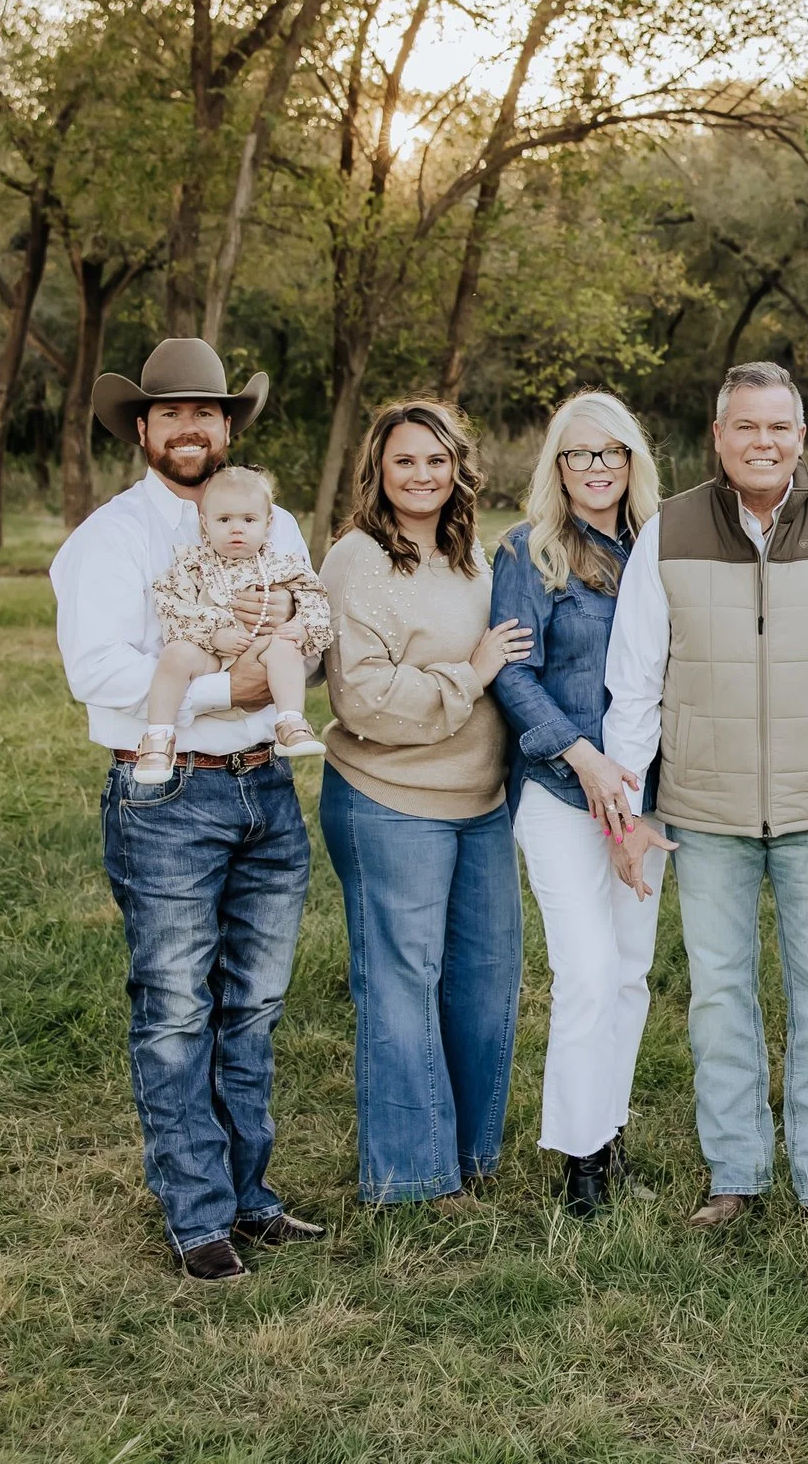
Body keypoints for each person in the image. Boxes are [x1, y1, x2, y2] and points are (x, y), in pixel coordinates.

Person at [602, 361, 808, 1234]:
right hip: (705, 813)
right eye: (747, 427)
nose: (763, 443)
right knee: (718, 998)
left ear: (800, 438)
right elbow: (635, 683)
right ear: (718, 436)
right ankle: (733, 1173)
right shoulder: (670, 530)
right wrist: (631, 814)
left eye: (780, 428)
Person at [51, 336, 327, 1283]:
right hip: (166, 790)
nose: (190, 427)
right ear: (143, 428)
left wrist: (284, 672)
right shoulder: (109, 539)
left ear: (226, 425)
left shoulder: (274, 522)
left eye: (207, 412)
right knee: (175, 1009)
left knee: (253, 1004)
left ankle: (249, 1196)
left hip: (264, 786)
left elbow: (302, 619)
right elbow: (98, 670)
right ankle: (196, 1212)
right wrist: (225, 687)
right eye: (171, 413)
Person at [319, 398, 531, 1217]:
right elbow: (363, 698)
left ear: (459, 469)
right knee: (404, 985)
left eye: (437, 460)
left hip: (481, 802)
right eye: (406, 460)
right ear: (378, 468)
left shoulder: (471, 555)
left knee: (485, 981)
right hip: (389, 801)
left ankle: (470, 1156)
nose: (423, 475)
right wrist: (471, 674)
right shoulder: (356, 561)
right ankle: (413, 1179)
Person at [487, 392, 666, 1218]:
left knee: (630, 972)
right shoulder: (530, 552)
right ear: (557, 466)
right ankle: (579, 1156)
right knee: (587, 972)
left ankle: (612, 1126)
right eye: (578, 454)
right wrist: (579, 752)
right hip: (561, 790)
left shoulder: (661, 550)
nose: (597, 468)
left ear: (634, 460)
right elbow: (512, 675)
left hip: (645, 795)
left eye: (611, 453)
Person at [133, 465, 331, 783]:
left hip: (260, 651)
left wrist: (304, 625)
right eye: (224, 520)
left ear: (268, 525)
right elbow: (172, 610)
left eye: (248, 520)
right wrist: (214, 633)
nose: (236, 529)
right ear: (205, 525)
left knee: (286, 645)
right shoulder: (193, 564)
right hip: (211, 656)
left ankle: (290, 722)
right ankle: (158, 739)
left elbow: (316, 598)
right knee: (176, 655)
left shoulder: (282, 565)